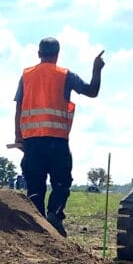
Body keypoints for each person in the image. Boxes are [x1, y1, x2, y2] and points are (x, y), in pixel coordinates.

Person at [14, 37, 104, 237]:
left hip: (32, 141)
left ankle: (37, 224)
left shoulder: (26, 75)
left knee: (35, 184)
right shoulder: (66, 75)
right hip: (57, 141)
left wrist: (18, 137)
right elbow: (92, 91)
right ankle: (54, 216)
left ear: (39, 54)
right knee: (61, 182)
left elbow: (19, 106)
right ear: (57, 54)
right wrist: (97, 69)